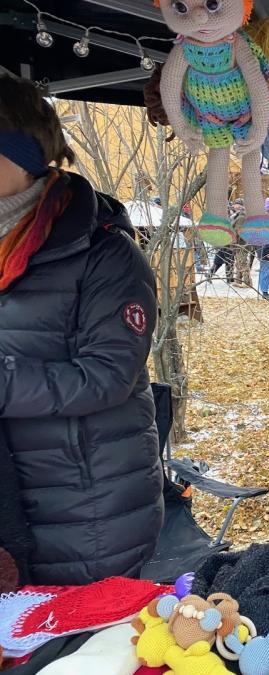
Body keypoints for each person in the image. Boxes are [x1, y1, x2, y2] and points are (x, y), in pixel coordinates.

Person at [0, 75, 162, 584]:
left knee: (70, 658)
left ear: (22, 155)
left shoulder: (102, 250)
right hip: (9, 504)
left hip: (85, 511)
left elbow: (108, 375)